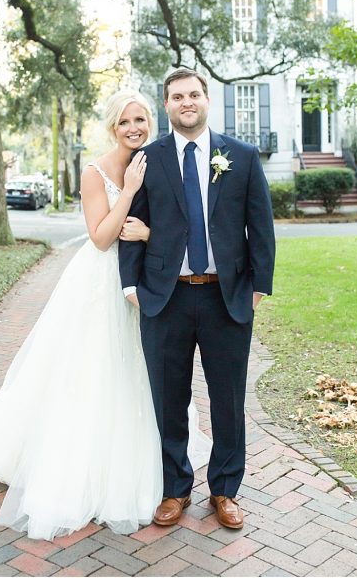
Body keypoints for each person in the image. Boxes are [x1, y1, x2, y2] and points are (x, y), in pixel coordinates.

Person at [0, 89, 211, 541]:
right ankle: (87, 464)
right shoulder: (96, 173)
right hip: (99, 284)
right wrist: (127, 190)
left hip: (147, 283)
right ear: (113, 127)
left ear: (152, 122)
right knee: (93, 372)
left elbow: (176, 224)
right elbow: (102, 238)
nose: (134, 128)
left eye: (141, 120)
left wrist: (149, 233)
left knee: (148, 371)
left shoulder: (160, 161)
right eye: (126, 122)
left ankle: (159, 458)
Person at [119, 68, 276, 530]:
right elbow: (132, 226)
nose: (186, 102)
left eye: (193, 94)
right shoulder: (148, 159)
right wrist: (132, 287)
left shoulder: (241, 157)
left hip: (226, 298)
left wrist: (258, 287)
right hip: (164, 299)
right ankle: (175, 489)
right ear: (166, 105)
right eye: (176, 96)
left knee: (227, 398)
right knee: (168, 398)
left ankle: (225, 490)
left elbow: (260, 227)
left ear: (207, 100)